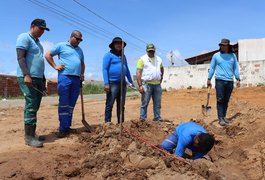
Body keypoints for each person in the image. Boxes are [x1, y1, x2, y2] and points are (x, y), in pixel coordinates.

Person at [16, 18, 50, 148]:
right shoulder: (24, 37)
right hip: (28, 77)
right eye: (40, 28)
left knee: (35, 106)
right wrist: (26, 74)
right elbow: (20, 57)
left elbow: (39, 62)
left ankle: (33, 133)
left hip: (37, 78)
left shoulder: (38, 43)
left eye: (44, 30)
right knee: (31, 104)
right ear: (32, 26)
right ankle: (29, 137)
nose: (42, 31)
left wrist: (43, 79)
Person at [45, 30, 85, 137]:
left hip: (76, 79)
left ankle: (67, 126)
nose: (79, 42)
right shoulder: (61, 46)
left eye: (80, 40)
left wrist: (82, 73)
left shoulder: (80, 50)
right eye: (77, 39)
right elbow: (48, 55)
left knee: (71, 104)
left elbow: (82, 63)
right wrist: (55, 66)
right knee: (64, 103)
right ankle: (62, 128)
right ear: (71, 37)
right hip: (65, 77)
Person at [207, 38, 240, 126]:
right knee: (220, 99)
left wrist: (238, 78)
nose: (222, 46)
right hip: (220, 81)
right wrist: (209, 79)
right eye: (221, 45)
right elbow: (212, 68)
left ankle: (224, 117)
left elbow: (235, 68)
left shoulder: (233, 56)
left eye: (224, 45)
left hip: (230, 81)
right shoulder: (216, 56)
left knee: (226, 100)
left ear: (228, 46)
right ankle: (220, 118)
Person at [102, 37, 134, 125]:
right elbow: (105, 69)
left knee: (121, 105)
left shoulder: (123, 56)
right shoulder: (108, 55)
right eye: (117, 43)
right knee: (110, 104)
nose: (119, 45)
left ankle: (121, 123)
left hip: (122, 83)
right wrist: (106, 83)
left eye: (121, 44)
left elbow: (126, 69)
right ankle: (107, 122)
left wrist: (131, 81)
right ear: (113, 45)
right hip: (112, 83)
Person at [136, 43, 164, 121]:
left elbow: (162, 68)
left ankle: (157, 118)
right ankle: (143, 119)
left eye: (152, 51)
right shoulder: (142, 59)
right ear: (146, 50)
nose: (151, 52)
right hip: (146, 84)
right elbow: (138, 72)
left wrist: (161, 78)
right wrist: (140, 85)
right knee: (144, 103)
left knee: (157, 104)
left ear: (154, 50)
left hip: (157, 85)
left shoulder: (159, 59)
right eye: (149, 51)